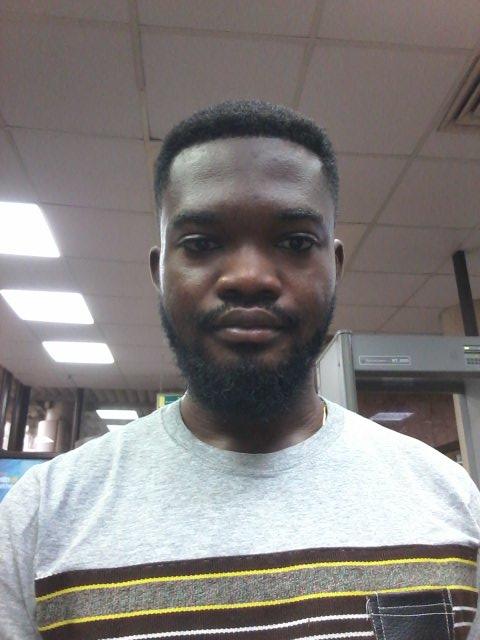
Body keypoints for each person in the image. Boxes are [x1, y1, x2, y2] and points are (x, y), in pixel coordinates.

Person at [0, 100, 479, 640]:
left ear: (335, 266)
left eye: (296, 242)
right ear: (160, 273)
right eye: (201, 244)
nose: (249, 277)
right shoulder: (43, 519)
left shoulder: (449, 502)